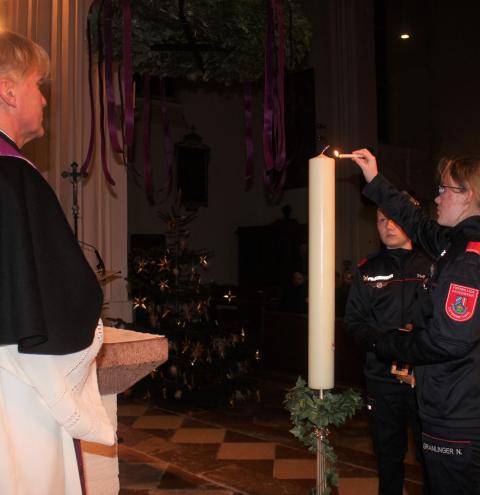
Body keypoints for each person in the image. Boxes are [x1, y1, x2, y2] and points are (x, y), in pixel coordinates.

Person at [0, 31, 114, 493]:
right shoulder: (11, 179)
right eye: (36, 84)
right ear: (7, 90)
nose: (43, 99)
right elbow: (57, 305)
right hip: (15, 389)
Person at [352, 148, 480, 495]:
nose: (436, 197)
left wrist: (386, 342)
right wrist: (375, 179)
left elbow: (448, 340)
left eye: (443, 190)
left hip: (457, 409)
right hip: (456, 401)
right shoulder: (455, 244)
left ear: (467, 195)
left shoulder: (467, 259)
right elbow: (416, 222)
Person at [344, 197, 432, 495]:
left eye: (394, 218)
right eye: (382, 220)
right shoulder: (368, 269)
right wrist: (384, 342)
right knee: (388, 456)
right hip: (382, 378)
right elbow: (354, 323)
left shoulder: (434, 264)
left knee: (431, 457)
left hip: (426, 379)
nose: (388, 225)